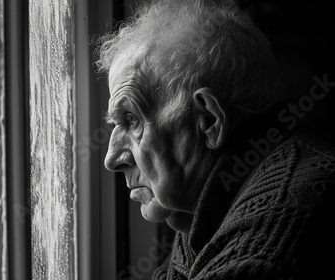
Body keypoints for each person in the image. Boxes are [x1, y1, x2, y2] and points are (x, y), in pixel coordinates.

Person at [96, 0, 335, 279]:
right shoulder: (209, 202)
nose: (111, 159)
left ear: (208, 120)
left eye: (131, 119)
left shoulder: (273, 232)